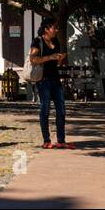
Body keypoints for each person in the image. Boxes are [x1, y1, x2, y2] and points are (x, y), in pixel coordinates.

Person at [30, 19, 74, 149]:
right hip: (43, 80)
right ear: (46, 29)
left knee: (61, 110)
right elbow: (33, 60)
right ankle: (46, 140)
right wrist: (49, 57)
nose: (56, 30)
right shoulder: (37, 41)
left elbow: (57, 63)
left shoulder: (56, 42)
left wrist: (60, 59)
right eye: (54, 28)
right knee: (45, 109)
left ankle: (61, 140)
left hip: (55, 79)